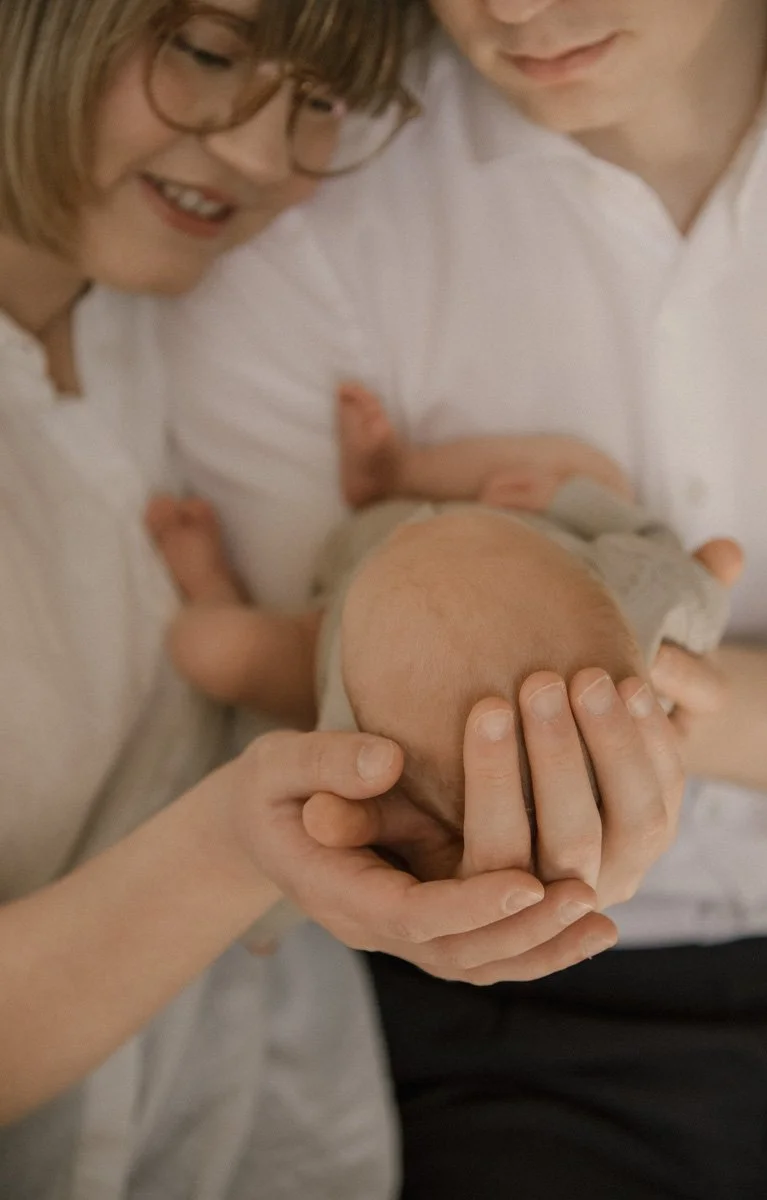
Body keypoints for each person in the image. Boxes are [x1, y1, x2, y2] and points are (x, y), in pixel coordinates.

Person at [163, 0, 767, 1195]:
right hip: (511, 1033)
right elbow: (319, 680)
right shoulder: (310, 200)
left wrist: (663, 710)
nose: (510, 8)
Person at [0, 2, 634, 1196]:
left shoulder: (193, 331)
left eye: (321, 104)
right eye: (202, 52)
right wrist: (246, 841)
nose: (258, 156)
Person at [148, 392, 733, 899]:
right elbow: (693, 586)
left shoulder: (352, 743)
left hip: (328, 639)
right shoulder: (643, 611)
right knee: (593, 471)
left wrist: (272, 910)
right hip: (500, 514)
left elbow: (314, 838)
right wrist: (707, 574)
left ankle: (212, 588)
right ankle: (400, 471)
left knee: (213, 650)